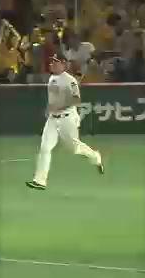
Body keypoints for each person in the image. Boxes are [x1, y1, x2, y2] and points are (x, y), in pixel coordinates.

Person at [26, 55, 104, 190]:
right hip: (52, 119)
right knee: (45, 148)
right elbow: (53, 99)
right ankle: (40, 181)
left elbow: (76, 100)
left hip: (67, 119)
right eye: (52, 61)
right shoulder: (52, 78)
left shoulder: (70, 80)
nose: (52, 63)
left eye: (55, 62)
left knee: (74, 148)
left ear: (63, 64)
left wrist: (59, 106)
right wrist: (49, 108)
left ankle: (95, 157)